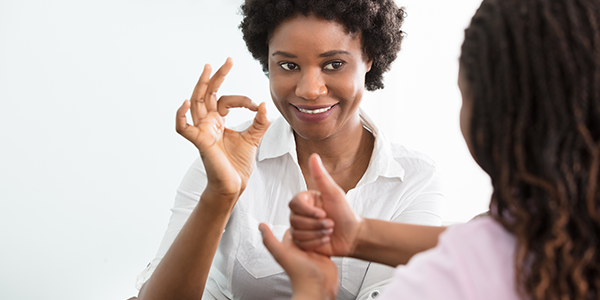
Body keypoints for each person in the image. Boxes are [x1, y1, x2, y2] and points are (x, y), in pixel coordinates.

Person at [261, 0, 600, 299]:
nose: (310, 89)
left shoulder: (452, 279)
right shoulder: (559, 239)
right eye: (289, 64)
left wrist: (313, 291)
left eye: (463, 95)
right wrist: (360, 236)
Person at [135, 0, 445, 299]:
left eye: (334, 64)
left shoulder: (414, 179)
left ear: (368, 58)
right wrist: (221, 193)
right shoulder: (226, 154)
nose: (309, 89)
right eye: (288, 65)